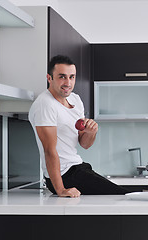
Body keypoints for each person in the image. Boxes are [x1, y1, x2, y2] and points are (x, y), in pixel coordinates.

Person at [28, 55, 129, 198]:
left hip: (78, 167)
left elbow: (85, 144)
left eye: (72, 77)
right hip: (63, 175)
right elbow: (49, 151)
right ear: (49, 78)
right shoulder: (45, 104)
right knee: (123, 195)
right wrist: (61, 190)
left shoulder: (75, 99)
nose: (68, 82)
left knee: (122, 194)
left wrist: (91, 132)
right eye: (62, 77)